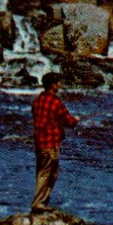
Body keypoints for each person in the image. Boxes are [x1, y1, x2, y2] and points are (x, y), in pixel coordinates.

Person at [31, 72, 79, 213]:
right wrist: (76, 120)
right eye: (59, 82)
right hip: (50, 143)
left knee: (47, 172)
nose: (60, 85)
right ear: (53, 85)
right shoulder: (55, 102)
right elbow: (68, 121)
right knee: (47, 173)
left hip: (39, 142)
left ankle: (42, 203)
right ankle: (38, 204)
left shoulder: (38, 100)